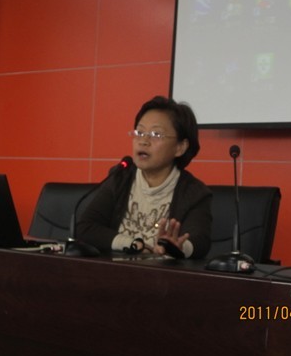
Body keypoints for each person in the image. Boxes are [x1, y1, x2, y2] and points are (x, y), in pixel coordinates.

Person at [77, 96, 212, 259]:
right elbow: (85, 228)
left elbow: (200, 241)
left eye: (156, 134)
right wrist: (133, 244)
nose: (143, 141)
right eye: (140, 132)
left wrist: (179, 247)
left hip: (161, 274)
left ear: (180, 147)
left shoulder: (194, 193)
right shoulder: (121, 177)